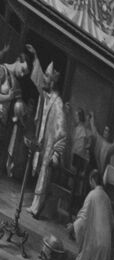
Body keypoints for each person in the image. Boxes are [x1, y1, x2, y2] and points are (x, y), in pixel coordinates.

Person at [28, 54, 67, 220]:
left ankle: (37, 209)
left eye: (48, 78)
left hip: (50, 146)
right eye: (46, 78)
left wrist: (56, 154)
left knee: (44, 175)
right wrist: (36, 58)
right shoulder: (45, 96)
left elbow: (63, 130)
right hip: (42, 142)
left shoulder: (58, 102)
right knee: (39, 173)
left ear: (54, 81)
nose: (45, 81)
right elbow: (38, 82)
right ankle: (34, 205)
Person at [67, 172, 114, 260]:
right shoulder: (107, 198)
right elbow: (112, 222)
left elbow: (83, 217)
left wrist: (73, 226)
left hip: (95, 242)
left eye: (90, 180)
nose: (89, 183)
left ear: (93, 180)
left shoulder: (93, 194)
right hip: (106, 243)